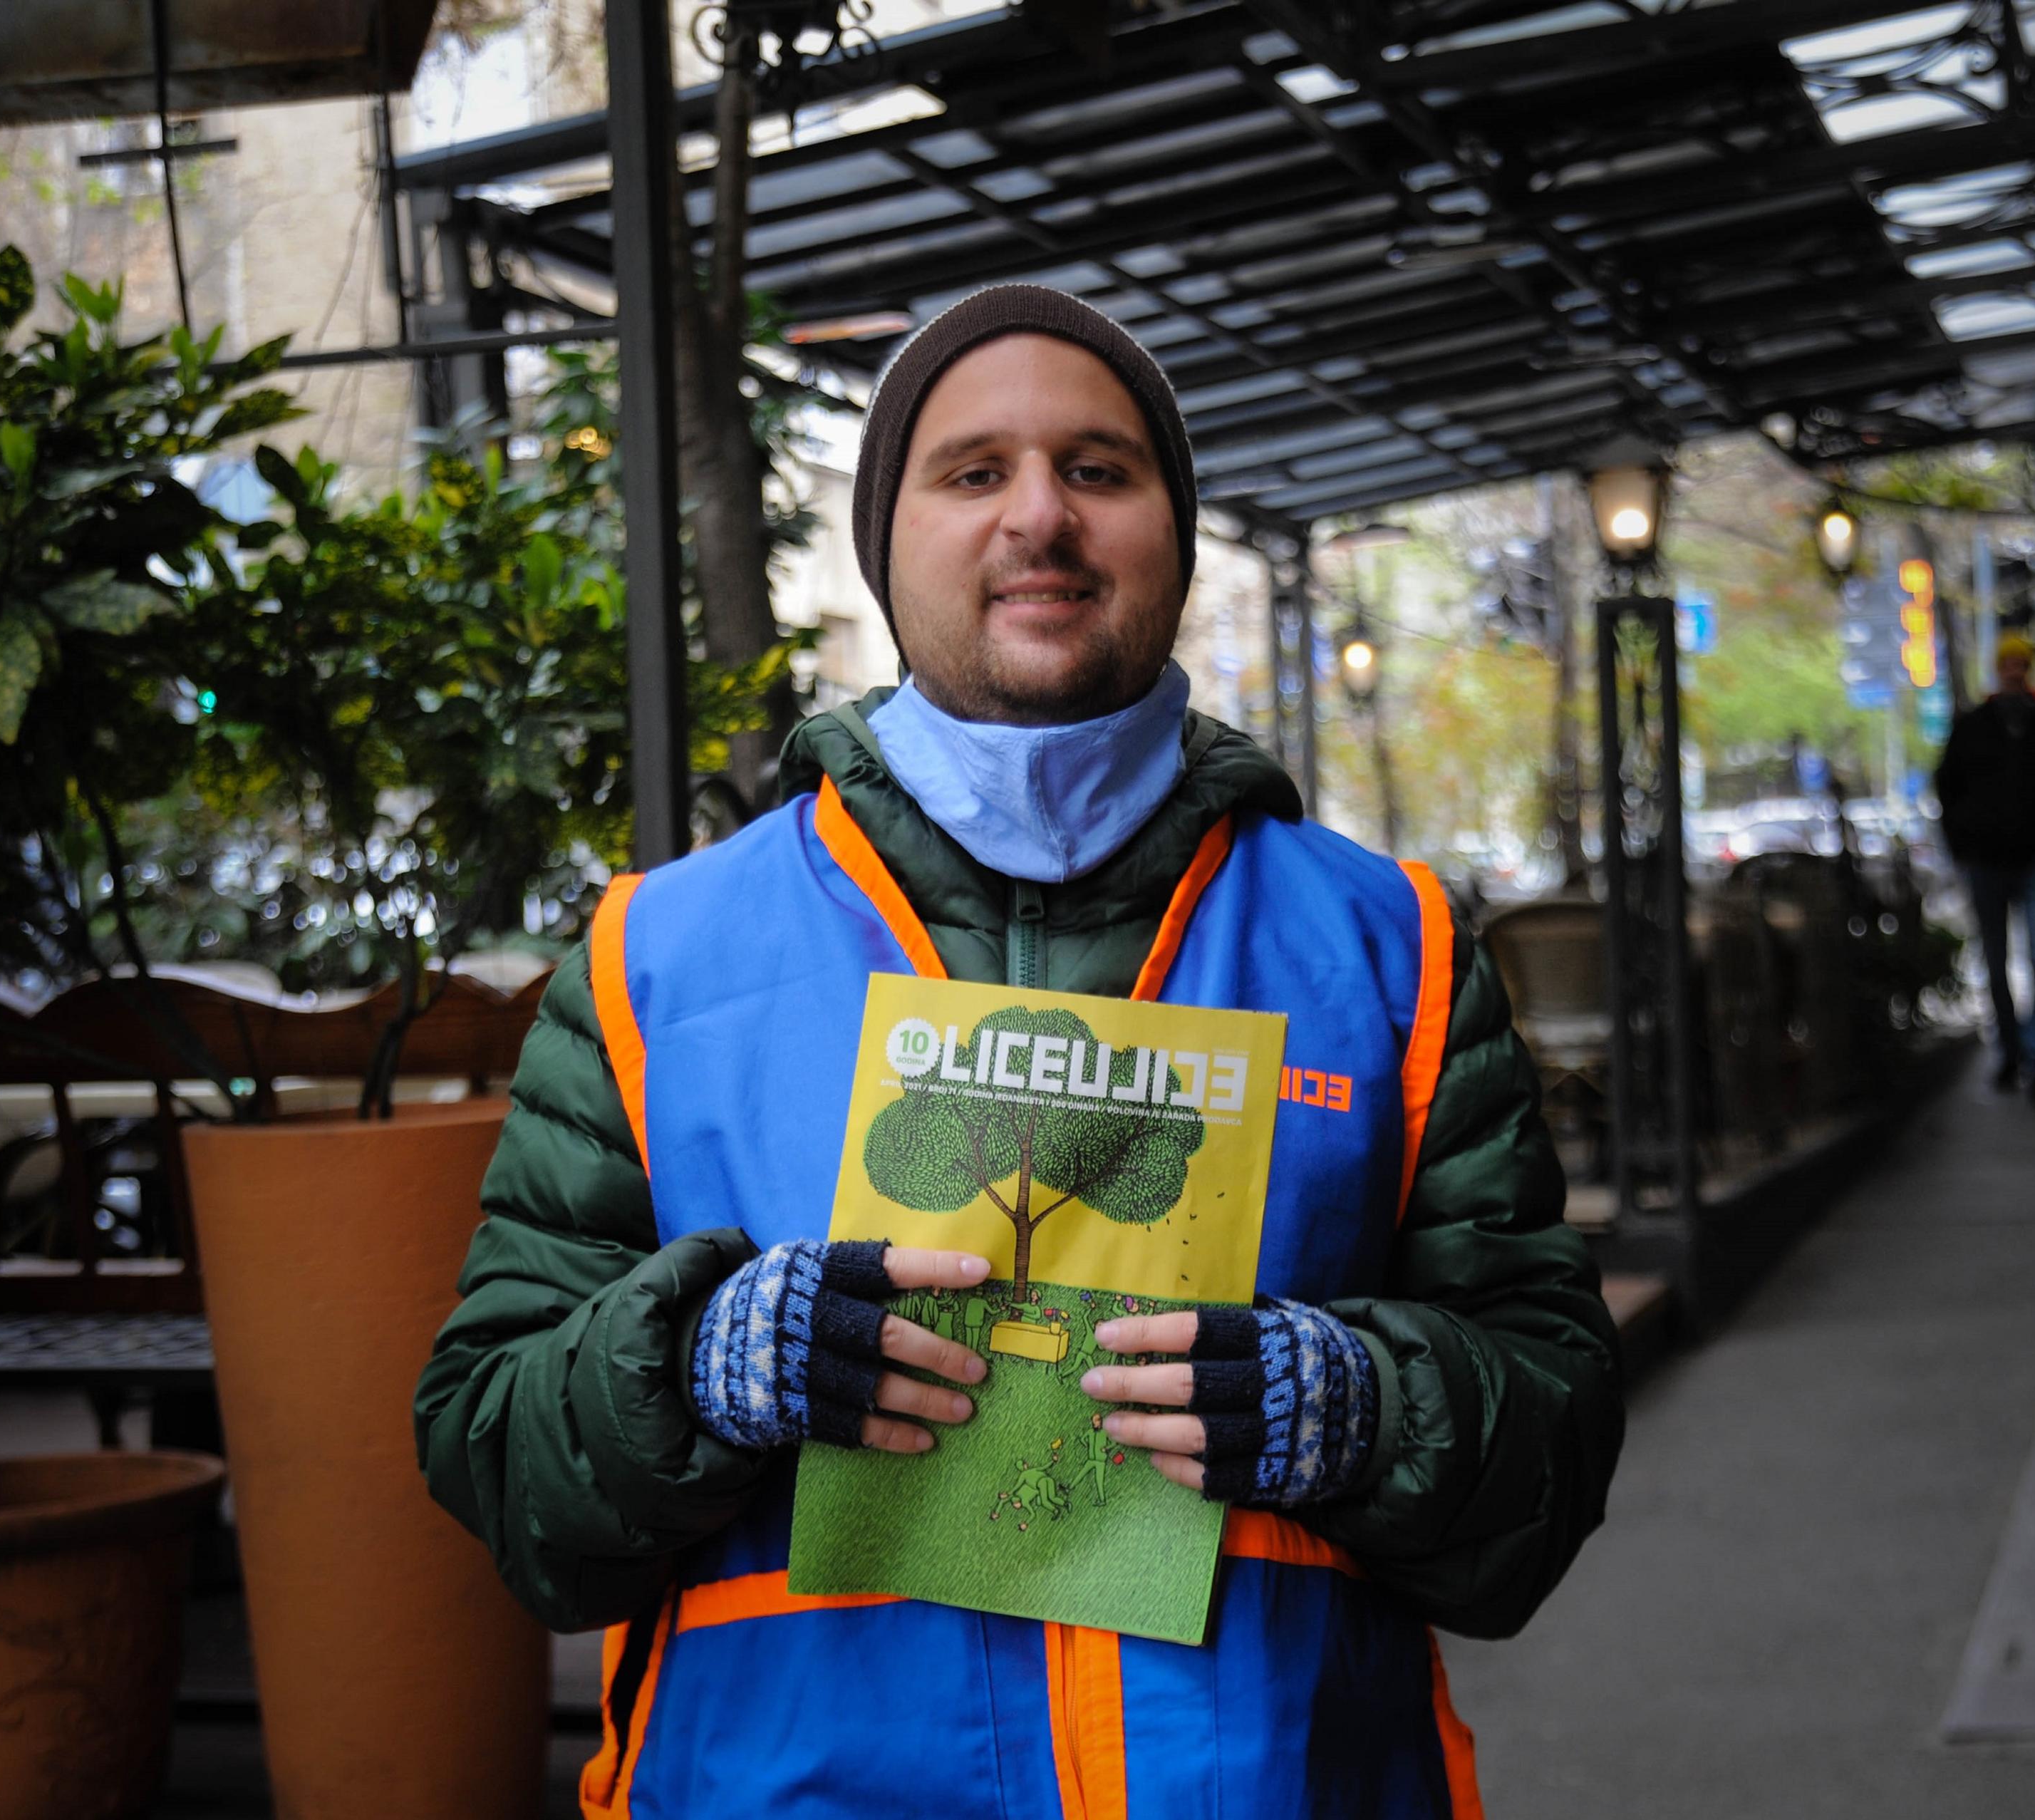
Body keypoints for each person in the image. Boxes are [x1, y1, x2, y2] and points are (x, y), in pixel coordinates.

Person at [413, 285, 1623, 1819]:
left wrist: (1366, 1404)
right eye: (973, 471)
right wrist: (698, 1364)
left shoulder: (1396, 949)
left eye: (1101, 469)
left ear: (1174, 535)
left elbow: (1554, 1447)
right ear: (888, 538)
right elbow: (498, 1463)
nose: (1039, 516)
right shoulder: (655, 958)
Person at [1932, 634, 2035, 1107]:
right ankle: (2011, 1050)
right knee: (1996, 964)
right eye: (2008, 664)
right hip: (1987, 863)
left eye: (2022, 664)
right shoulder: (1974, 726)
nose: (2015, 671)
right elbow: (1948, 787)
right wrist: (1964, 844)